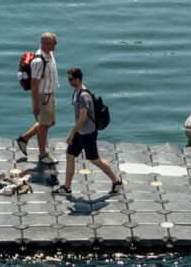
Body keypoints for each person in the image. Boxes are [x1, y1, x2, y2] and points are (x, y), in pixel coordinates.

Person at [62, 68, 121, 196]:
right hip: (81, 132)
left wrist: (72, 133)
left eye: (71, 79)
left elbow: (83, 118)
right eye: (68, 79)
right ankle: (66, 187)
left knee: (95, 160)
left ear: (78, 79)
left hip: (88, 133)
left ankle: (116, 181)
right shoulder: (76, 92)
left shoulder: (83, 96)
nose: (69, 82)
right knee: (70, 156)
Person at [14, 31, 57, 163]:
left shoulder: (50, 55)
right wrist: (35, 105)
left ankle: (24, 138)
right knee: (43, 126)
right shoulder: (38, 61)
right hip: (42, 97)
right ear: (47, 44)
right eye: (54, 42)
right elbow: (34, 84)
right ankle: (42, 155)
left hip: (50, 94)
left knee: (50, 122)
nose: (56, 45)